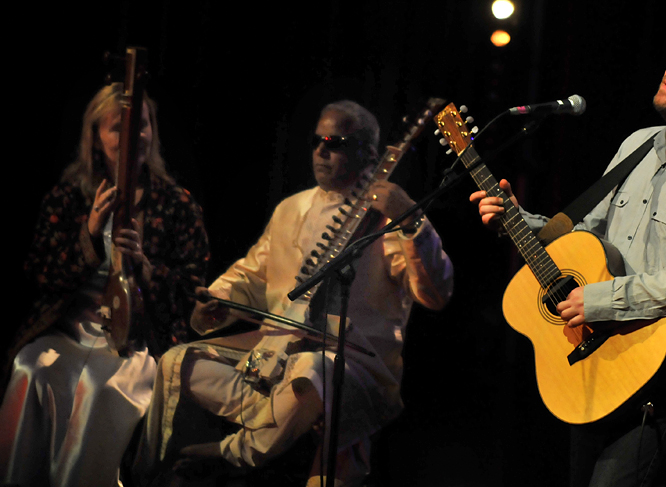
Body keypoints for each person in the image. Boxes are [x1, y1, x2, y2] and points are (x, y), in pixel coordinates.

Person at [471, 19, 666, 487]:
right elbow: (584, 241)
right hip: (595, 367)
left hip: (660, 390)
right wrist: (518, 220)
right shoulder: (636, 145)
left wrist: (602, 300)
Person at [135, 100, 453, 486]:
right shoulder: (292, 208)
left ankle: (235, 453)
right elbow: (253, 271)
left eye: (335, 142)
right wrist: (218, 300)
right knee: (174, 362)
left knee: (314, 370)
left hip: (351, 364)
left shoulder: (391, 216)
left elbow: (437, 293)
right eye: (317, 140)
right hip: (274, 352)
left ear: (369, 153)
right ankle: (147, 475)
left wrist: (411, 220)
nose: (321, 151)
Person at [0, 83, 210, 486]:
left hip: (136, 337)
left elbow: (194, 290)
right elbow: (40, 274)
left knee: (99, 387)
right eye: (118, 128)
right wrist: (91, 237)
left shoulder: (176, 203)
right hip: (71, 327)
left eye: (142, 126)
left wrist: (147, 269)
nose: (134, 137)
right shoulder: (69, 196)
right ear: (96, 136)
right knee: (32, 367)